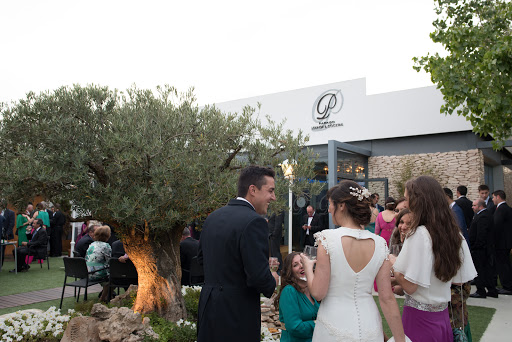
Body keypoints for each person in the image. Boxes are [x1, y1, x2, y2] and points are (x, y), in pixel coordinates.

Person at [302, 180, 407, 342]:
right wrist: (401, 340)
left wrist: (309, 268)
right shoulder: (379, 244)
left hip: (334, 322)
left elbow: (318, 292)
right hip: (369, 324)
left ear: (342, 205)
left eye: (330, 204)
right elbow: (387, 298)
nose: (329, 209)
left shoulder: (327, 239)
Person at [197, 165, 279, 342]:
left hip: (208, 309)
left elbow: (202, 260)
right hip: (237, 313)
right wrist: (272, 278)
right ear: (253, 190)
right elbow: (258, 277)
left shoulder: (213, 217)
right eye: (270, 191)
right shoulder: (255, 222)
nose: (273, 197)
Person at [390, 176, 477, 342]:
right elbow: (458, 281)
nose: (406, 205)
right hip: (443, 317)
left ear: (418, 201)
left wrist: (394, 264)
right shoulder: (454, 234)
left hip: (419, 320)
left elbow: (410, 286)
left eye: (407, 199)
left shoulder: (419, 234)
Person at [275, 252, 319, 342]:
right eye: (295, 265)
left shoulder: (314, 290)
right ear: (290, 272)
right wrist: (319, 324)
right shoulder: (289, 291)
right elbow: (295, 327)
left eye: (303, 262)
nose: (301, 266)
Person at [469, 199, 497, 298]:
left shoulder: (483, 216)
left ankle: (481, 291)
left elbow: (481, 234)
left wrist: (475, 246)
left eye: (474, 205)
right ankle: (491, 290)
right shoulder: (483, 215)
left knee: (480, 270)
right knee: (486, 270)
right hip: (482, 248)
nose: (472, 207)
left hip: (481, 250)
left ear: (480, 206)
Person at [491, 190, 512, 295]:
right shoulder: (506, 208)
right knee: (505, 264)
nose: (493, 199)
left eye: (493, 197)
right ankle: (507, 285)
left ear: (498, 197)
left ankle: (507, 286)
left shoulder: (501, 209)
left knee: (503, 265)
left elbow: (496, 225)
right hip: (505, 242)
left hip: (501, 243)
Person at [85, 225, 112, 301]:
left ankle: (106, 296)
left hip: (87, 272)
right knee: (113, 278)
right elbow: (109, 261)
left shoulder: (92, 244)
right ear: (107, 236)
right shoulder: (106, 246)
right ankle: (103, 298)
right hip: (96, 273)